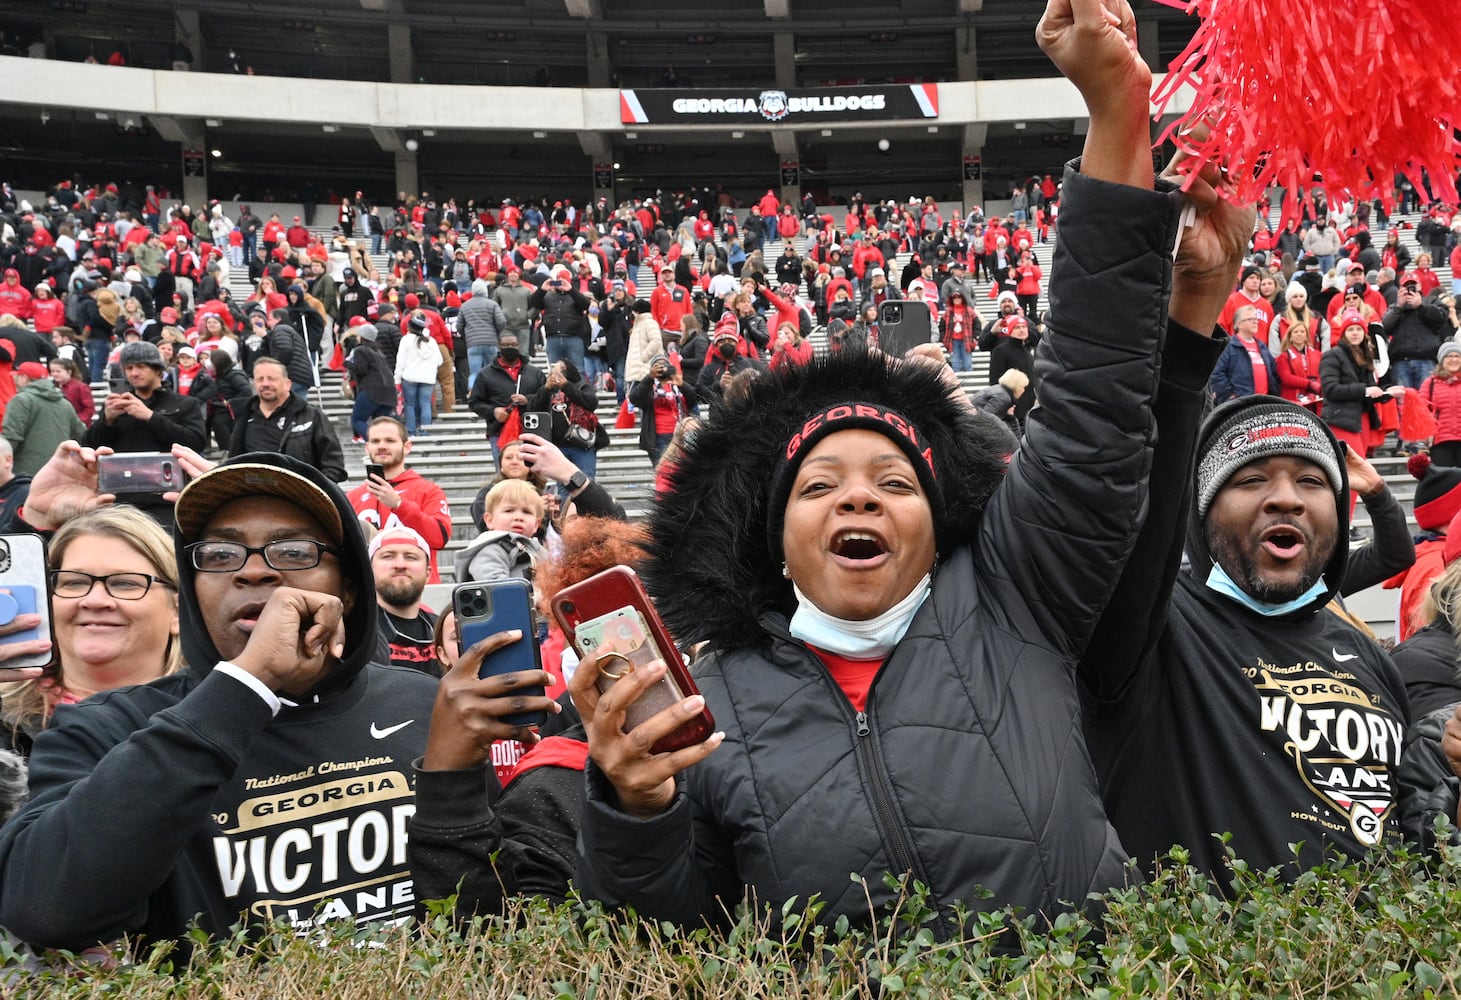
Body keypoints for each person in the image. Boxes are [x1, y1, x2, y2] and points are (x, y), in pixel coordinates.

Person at [570, 0, 1243, 931]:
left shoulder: (1017, 601)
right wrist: (638, 813)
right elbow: (678, 942)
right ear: (776, 540)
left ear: (936, 530)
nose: (857, 493)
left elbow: (1092, 408)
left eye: (893, 483)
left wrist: (1113, 111)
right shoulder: (708, 703)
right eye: (819, 486)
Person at [0, 451, 440, 949]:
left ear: (352, 588)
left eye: (294, 552)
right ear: (191, 590)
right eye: (220, 554)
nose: (253, 572)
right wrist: (247, 684)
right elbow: (46, 910)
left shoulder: (422, 699)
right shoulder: (105, 728)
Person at [1080, 393, 1418, 881]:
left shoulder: (1371, 656)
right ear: (1200, 513)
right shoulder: (1151, 631)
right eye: (1251, 479)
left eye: (1312, 480)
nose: (1287, 497)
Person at [409, 517, 648, 917]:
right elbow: (497, 943)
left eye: (652, 604)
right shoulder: (547, 786)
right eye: (599, 614)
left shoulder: (740, 724)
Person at [1, 506, 181, 756]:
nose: (95, 600)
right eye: (74, 582)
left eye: (125, 583)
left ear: (178, 611)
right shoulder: (5, 721)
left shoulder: (218, 715)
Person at [80, 340, 207, 526]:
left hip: (167, 501)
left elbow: (195, 443)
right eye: (129, 367)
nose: (134, 373)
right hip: (122, 501)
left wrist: (150, 417)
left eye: (141, 366)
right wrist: (106, 421)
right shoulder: (118, 405)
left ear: (157, 369)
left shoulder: (185, 404)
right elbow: (90, 447)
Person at [346, 416, 452, 583]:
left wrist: (398, 505)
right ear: (367, 448)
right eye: (375, 441)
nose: (382, 446)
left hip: (418, 591)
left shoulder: (429, 491)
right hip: (367, 593)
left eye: (390, 440)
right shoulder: (352, 497)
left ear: (407, 446)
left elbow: (439, 538)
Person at [227, 357, 346, 482]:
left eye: (272, 379)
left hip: (301, 495)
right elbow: (233, 466)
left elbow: (334, 466)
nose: (265, 384)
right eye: (260, 379)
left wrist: (312, 489)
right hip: (256, 496)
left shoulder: (311, 416)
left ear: (288, 384)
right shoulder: (243, 417)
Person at [467, 332, 545, 465]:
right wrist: (493, 411)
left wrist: (528, 400)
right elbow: (474, 402)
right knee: (505, 474)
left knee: (533, 476)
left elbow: (547, 397)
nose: (510, 347)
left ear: (519, 346)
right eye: (506, 345)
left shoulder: (534, 372)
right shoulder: (485, 374)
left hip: (531, 431)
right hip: (499, 431)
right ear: (499, 347)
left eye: (514, 345)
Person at [369, 526, 439, 675]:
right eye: (388, 556)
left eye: (410, 557)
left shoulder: (443, 631)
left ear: (428, 573)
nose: (400, 565)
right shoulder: (356, 630)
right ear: (369, 570)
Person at [453, 480, 545, 584]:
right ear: (489, 520)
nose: (519, 517)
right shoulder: (492, 549)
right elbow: (494, 583)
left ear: (536, 524)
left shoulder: (540, 551)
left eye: (526, 512)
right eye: (509, 510)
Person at [4, 362, 85, 477]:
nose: (15, 380)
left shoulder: (20, 400)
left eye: (17, 376)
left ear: (24, 378)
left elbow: (11, 437)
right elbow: (80, 433)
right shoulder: (64, 403)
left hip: (25, 474)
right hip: (59, 472)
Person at [528, 360, 604, 479]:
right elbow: (533, 408)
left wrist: (566, 386)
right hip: (557, 446)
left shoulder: (582, 386)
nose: (558, 373)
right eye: (555, 370)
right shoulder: (548, 391)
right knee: (563, 483)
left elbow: (591, 403)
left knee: (586, 480)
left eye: (563, 369)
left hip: (581, 444)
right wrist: (546, 389)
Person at [1210, 305, 1278, 403]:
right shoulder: (1229, 346)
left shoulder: (1262, 347)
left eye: (1256, 319)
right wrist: (1230, 396)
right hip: (1240, 404)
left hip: (1263, 403)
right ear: (1238, 324)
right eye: (1250, 319)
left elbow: (1273, 372)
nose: (1255, 321)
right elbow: (1217, 374)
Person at [395, 314, 441, 438]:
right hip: (428, 378)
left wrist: (397, 379)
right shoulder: (431, 341)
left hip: (409, 377)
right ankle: (425, 430)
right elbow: (439, 361)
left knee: (410, 404)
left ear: (409, 327)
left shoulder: (406, 340)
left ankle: (411, 431)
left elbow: (401, 361)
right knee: (426, 404)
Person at [1421, 342, 1461, 467]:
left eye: (1457, 356)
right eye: (1449, 356)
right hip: (1440, 441)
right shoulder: (1430, 382)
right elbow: (1421, 408)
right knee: (1444, 483)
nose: (1454, 359)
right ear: (1441, 360)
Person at [1272, 322, 1323, 412]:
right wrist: (1309, 384)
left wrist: (1317, 387)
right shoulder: (1283, 357)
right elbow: (1286, 378)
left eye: (1302, 331)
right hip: (1292, 400)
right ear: (1290, 337)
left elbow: (1323, 373)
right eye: (1296, 332)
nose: (1299, 334)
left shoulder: (1318, 355)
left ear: (1307, 336)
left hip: (1315, 400)